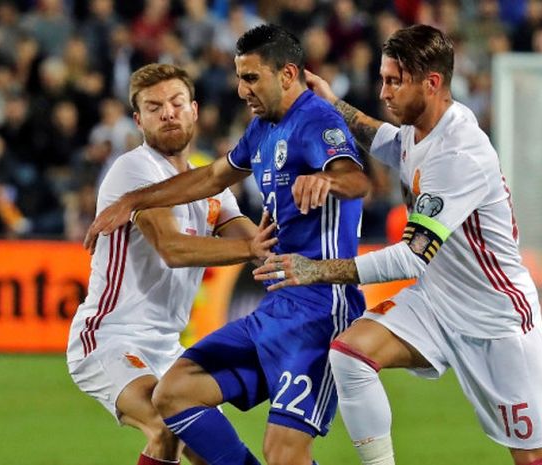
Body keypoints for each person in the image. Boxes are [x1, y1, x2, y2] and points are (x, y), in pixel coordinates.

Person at [254, 24, 542, 465]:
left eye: (393, 81)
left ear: (432, 83)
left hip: (495, 321)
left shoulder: (459, 154)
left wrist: (314, 269)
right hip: (438, 303)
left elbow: (411, 256)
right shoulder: (420, 130)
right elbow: (385, 141)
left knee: (536, 459)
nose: (383, 91)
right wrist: (334, 105)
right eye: (383, 79)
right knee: (349, 354)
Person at [83, 24, 370, 465]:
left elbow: (356, 178)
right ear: (137, 118)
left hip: (321, 310)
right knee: (175, 398)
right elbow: (213, 179)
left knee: (281, 452)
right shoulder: (260, 131)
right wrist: (133, 201)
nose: (241, 90)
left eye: (251, 78)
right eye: (239, 77)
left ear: (287, 74)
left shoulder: (317, 120)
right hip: (266, 309)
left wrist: (326, 179)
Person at [66, 63, 278, 465]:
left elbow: (257, 241)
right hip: (110, 337)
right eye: (154, 106)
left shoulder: (206, 183)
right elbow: (173, 249)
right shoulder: (135, 169)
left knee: (213, 452)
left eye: (177, 102)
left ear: (194, 110)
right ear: (138, 120)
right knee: (166, 425)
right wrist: (254, 250)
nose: (168, 112)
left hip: (167, 345)